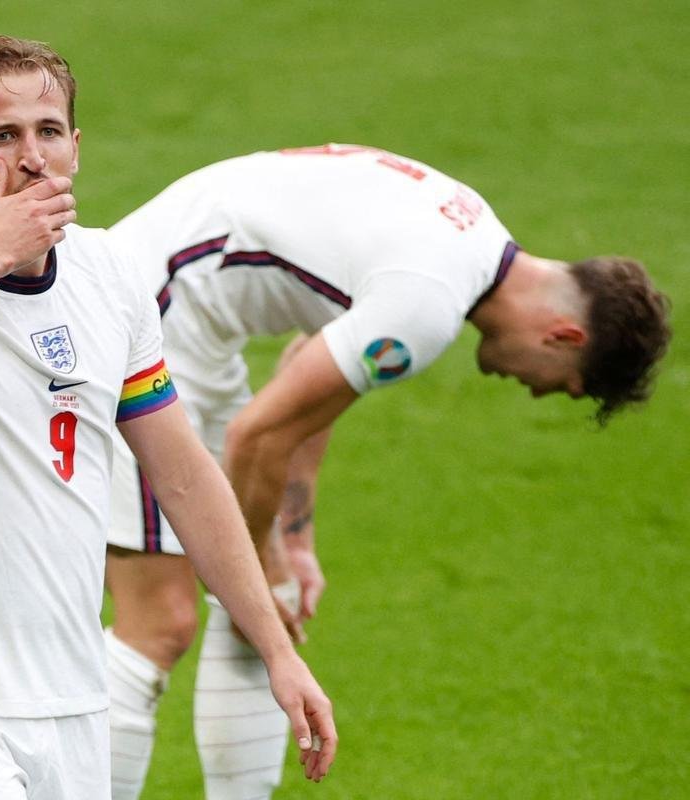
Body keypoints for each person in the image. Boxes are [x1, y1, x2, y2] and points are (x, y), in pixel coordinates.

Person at [0, 39, 338, 800]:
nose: (31, 157)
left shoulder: (112, 276)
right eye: (2, 137)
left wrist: (276, 651)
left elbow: (184, 478)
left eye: (48, 131)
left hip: (74, 701)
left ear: (75, 148)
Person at [102, 143, 671, 800]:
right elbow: (256, 435)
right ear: (563, 338)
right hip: (143, 315)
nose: (535, 392)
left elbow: (309, 368)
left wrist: (293, 537)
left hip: (185, 319)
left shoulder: (473, 236)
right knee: (165, 620)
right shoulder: (428, 305)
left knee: (260, 599)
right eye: (561, 386)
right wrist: (257, 570)